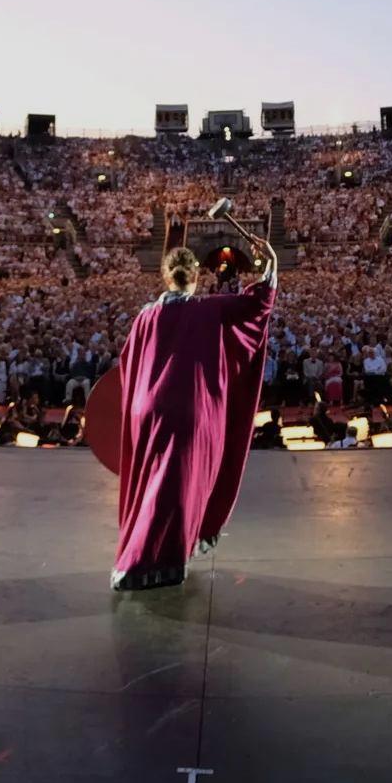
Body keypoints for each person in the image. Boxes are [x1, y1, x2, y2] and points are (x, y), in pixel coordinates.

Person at [109, 239, 278, 591]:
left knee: (152, 483)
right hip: (188, 409)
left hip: (147, 411)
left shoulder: (145, 317)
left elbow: (127, 364)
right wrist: (271, 263)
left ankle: (149, 555)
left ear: (166, 276)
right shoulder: (207, 309)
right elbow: (258, 304)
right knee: (176, 487)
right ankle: (143, 562)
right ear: (196, 276)